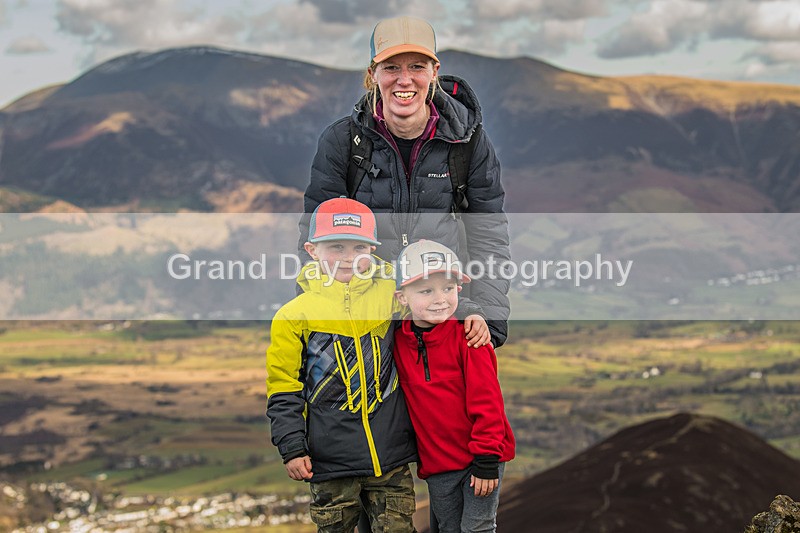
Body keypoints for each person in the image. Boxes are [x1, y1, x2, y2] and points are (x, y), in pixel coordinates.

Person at [267, 198, 491, 532]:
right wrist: (291, 448)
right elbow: (284, 387)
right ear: (312, 250)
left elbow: (432, 293)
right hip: (331, 462)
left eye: (360, 247)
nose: (348, 258)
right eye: (336, 247)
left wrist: (470, 310)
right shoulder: (292, 316)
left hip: (392, 457)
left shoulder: (390, 291)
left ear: (372, 250)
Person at [301, 15, 510, 349]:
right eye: (390, 68)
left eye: (416, 66)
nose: (404, 80)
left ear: (434, 72)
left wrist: (488, 316)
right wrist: (315, 322)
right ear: (372, 75)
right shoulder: (343, 141)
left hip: (441, 319)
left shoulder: (468, 142)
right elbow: (314, 236)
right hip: (365, 322)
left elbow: (488, 236)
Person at [393, 240, 516, 533]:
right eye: (426, 290)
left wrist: (486, 459)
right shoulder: (397, 341)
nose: (440, 299)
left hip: (481, 457)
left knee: (477, 528)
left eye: (448, 288)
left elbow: (488, 401)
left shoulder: (469, 336)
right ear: (401, 297)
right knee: (449, 527)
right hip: (438, 463)